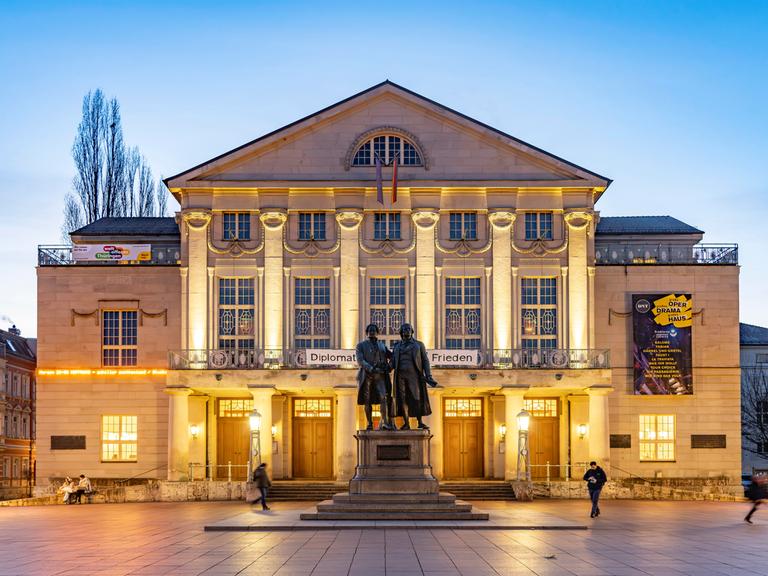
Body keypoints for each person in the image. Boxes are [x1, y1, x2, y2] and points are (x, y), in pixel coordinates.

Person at [391, 323, 437, 430]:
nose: (406, 331)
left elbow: (425, 360)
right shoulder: (397, 346)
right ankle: (406, 423)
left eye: (408, 329)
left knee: (416, 398)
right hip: (400, 376)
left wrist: (428, 375)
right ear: (401, 332)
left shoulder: (419, 345)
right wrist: (383, 367)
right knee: (402, 399)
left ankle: (419, 422)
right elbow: (393, 362)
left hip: (414, 375)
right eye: (404, 329)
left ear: (412, 331)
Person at [356, 323, 395, 431]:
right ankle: (369, 423)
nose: (371, 332)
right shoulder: (361, 345)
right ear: (367, 333)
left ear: (377, 332)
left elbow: (391, 356)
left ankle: (385, 422)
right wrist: (371, 368)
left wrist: (390, 365)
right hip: (367, 375)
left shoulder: (382, 345)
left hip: (380, 375)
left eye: (373, 330)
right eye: (370, 330)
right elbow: (360, 360)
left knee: (383, 397)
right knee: (367, 400)